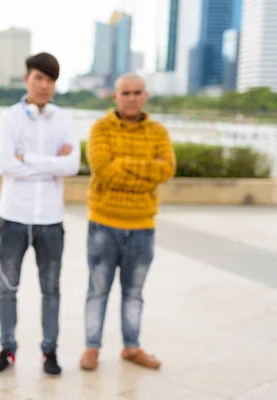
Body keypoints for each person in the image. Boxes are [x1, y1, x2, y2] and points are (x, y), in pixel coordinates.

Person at [0, 52, 80, 375]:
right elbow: (5, 165)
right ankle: (7, 348)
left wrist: (28, 160)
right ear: (27, 78)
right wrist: (51, 163)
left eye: (50, 79)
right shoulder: (10, 117)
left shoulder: (65, 120)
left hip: (51, 220)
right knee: (7, 288)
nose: (44, 85)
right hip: (13, 216)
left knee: (51, 289)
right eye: (39, 78)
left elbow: (72, 165)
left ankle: (49, 351)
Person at [79, 73, 176, 371]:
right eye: (126, 93)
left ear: (145, 95)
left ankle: (131, 347)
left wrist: (123, 164)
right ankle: (92, 347)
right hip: (103, 224)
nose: (132, 98)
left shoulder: (158, 131)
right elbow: (103, 169)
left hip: (142, 226)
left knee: (134, 293)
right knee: (98, 290)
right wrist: (145, 172)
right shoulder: (100, 128)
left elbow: (167, 169)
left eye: (137, 92)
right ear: (116, 96)